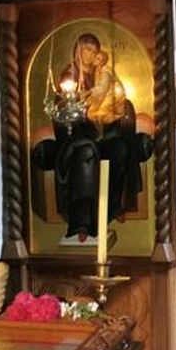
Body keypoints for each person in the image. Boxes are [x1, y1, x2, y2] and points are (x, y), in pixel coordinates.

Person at [31, 33, 154, 242]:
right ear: (78, 51)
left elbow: (116, 98)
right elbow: (63, 109)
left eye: (94, 51)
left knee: (120, 148)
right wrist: (82, 107)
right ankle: (82, 222)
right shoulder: (69, 76)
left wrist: (116, 107)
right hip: (76, 139)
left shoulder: (103, 73)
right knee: (87, 152)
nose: (91, 54)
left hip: (102, 134)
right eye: (87, 49)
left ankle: (113, 208)